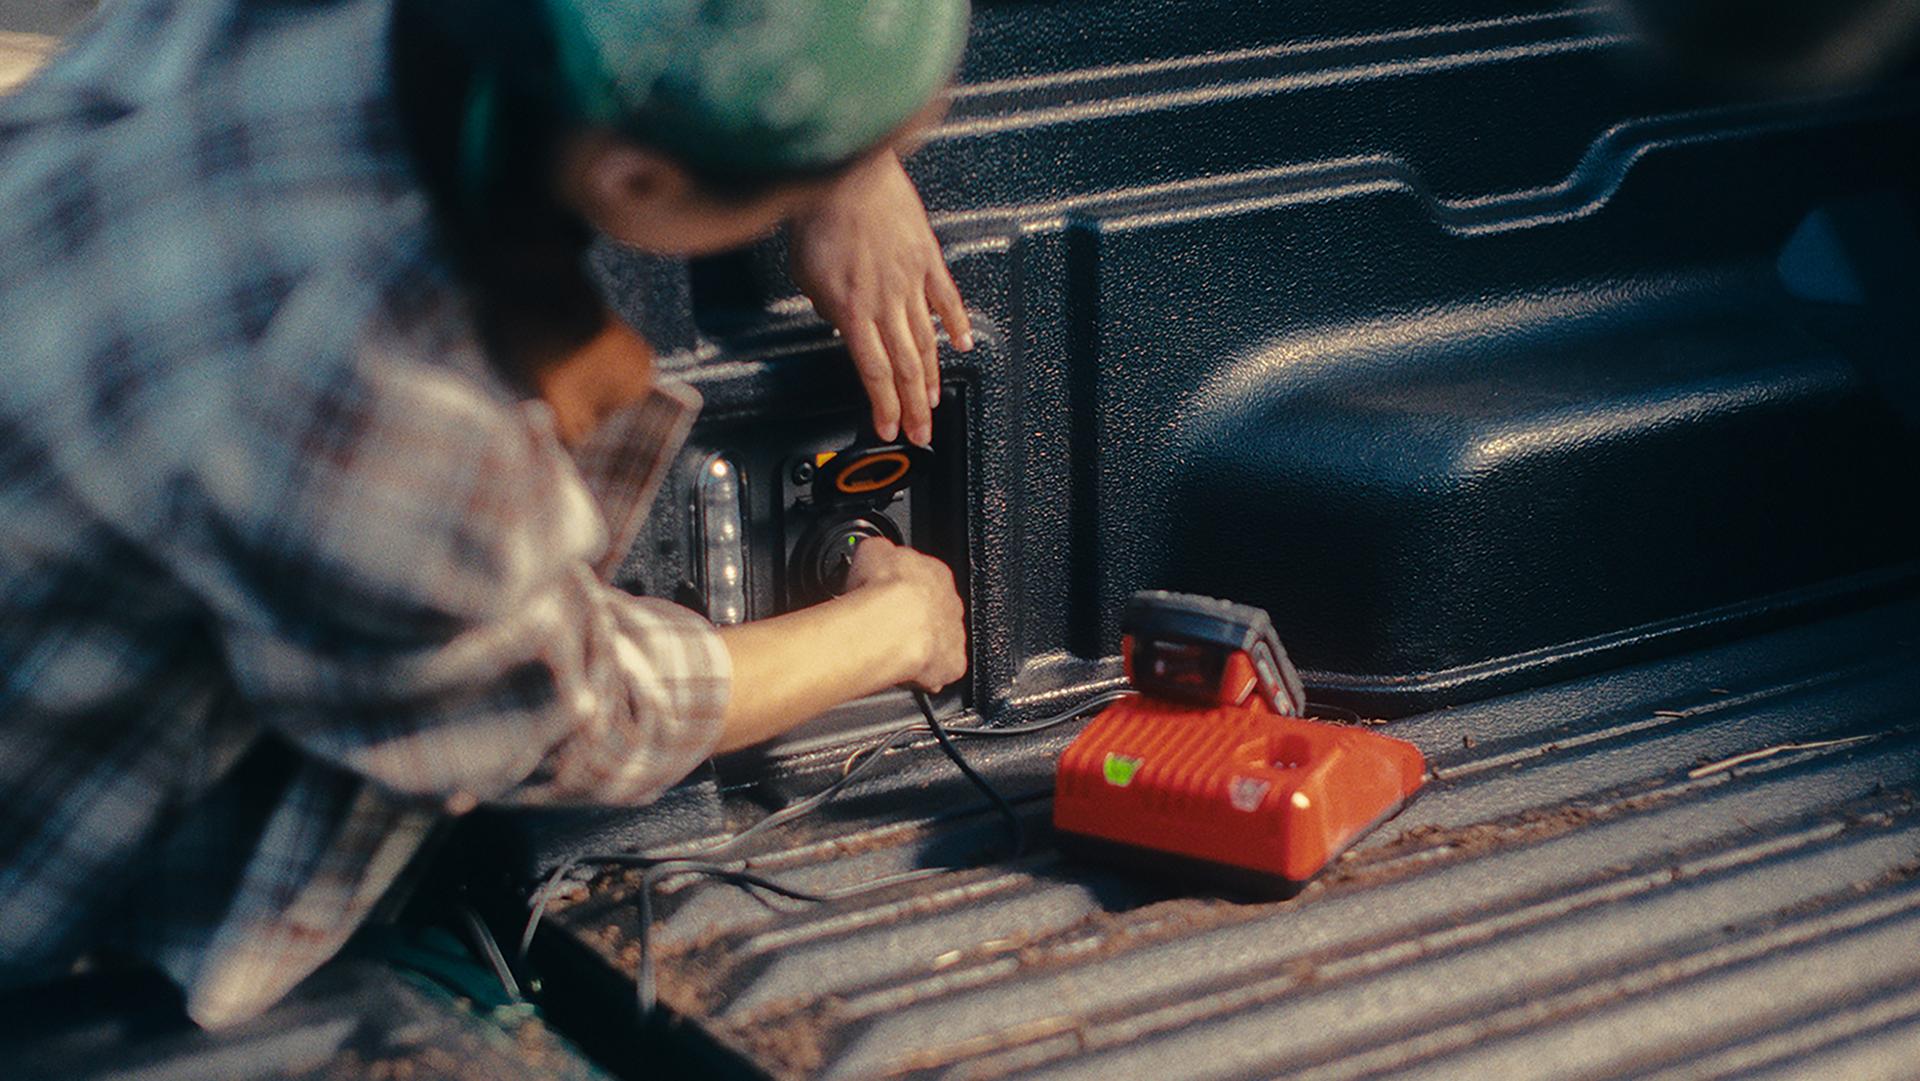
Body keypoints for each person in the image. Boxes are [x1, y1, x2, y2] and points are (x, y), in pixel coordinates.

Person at [0, 0, 972, 1027]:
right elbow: (571, 713)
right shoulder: (380, 388)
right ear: (636, 180)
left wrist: (848, 167)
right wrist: (887, 630)